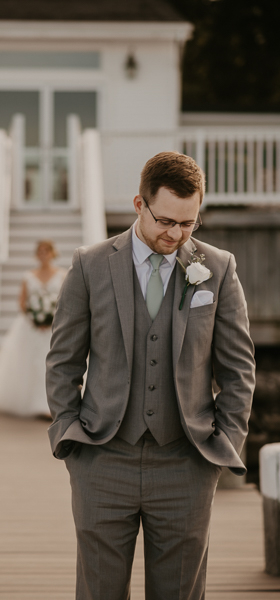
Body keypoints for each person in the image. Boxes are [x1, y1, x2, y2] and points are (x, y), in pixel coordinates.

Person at [47, 151, 255, 599]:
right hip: (102, 458)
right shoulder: (91, 264)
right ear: (139, 204)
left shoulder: (217, 268)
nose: (176, 235)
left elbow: (239, 369)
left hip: (187, 462)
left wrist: (223, 446)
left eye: (188, 223)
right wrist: (69, 435)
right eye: (166, 221)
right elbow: (63, 360)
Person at [0, 240, 65, 417]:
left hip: (53, 326)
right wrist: (36, 317)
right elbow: (22, 302)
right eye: (40, 252)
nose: (44, 255)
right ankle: (35, 404)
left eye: (47, 251)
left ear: (52, 253)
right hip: (31, 326)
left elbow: (64, 300)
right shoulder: (28, 276)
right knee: (30, 363)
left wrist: (51, 318)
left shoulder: (62, 275)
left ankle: (50, 405)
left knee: (52, 364)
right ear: (37, 255)